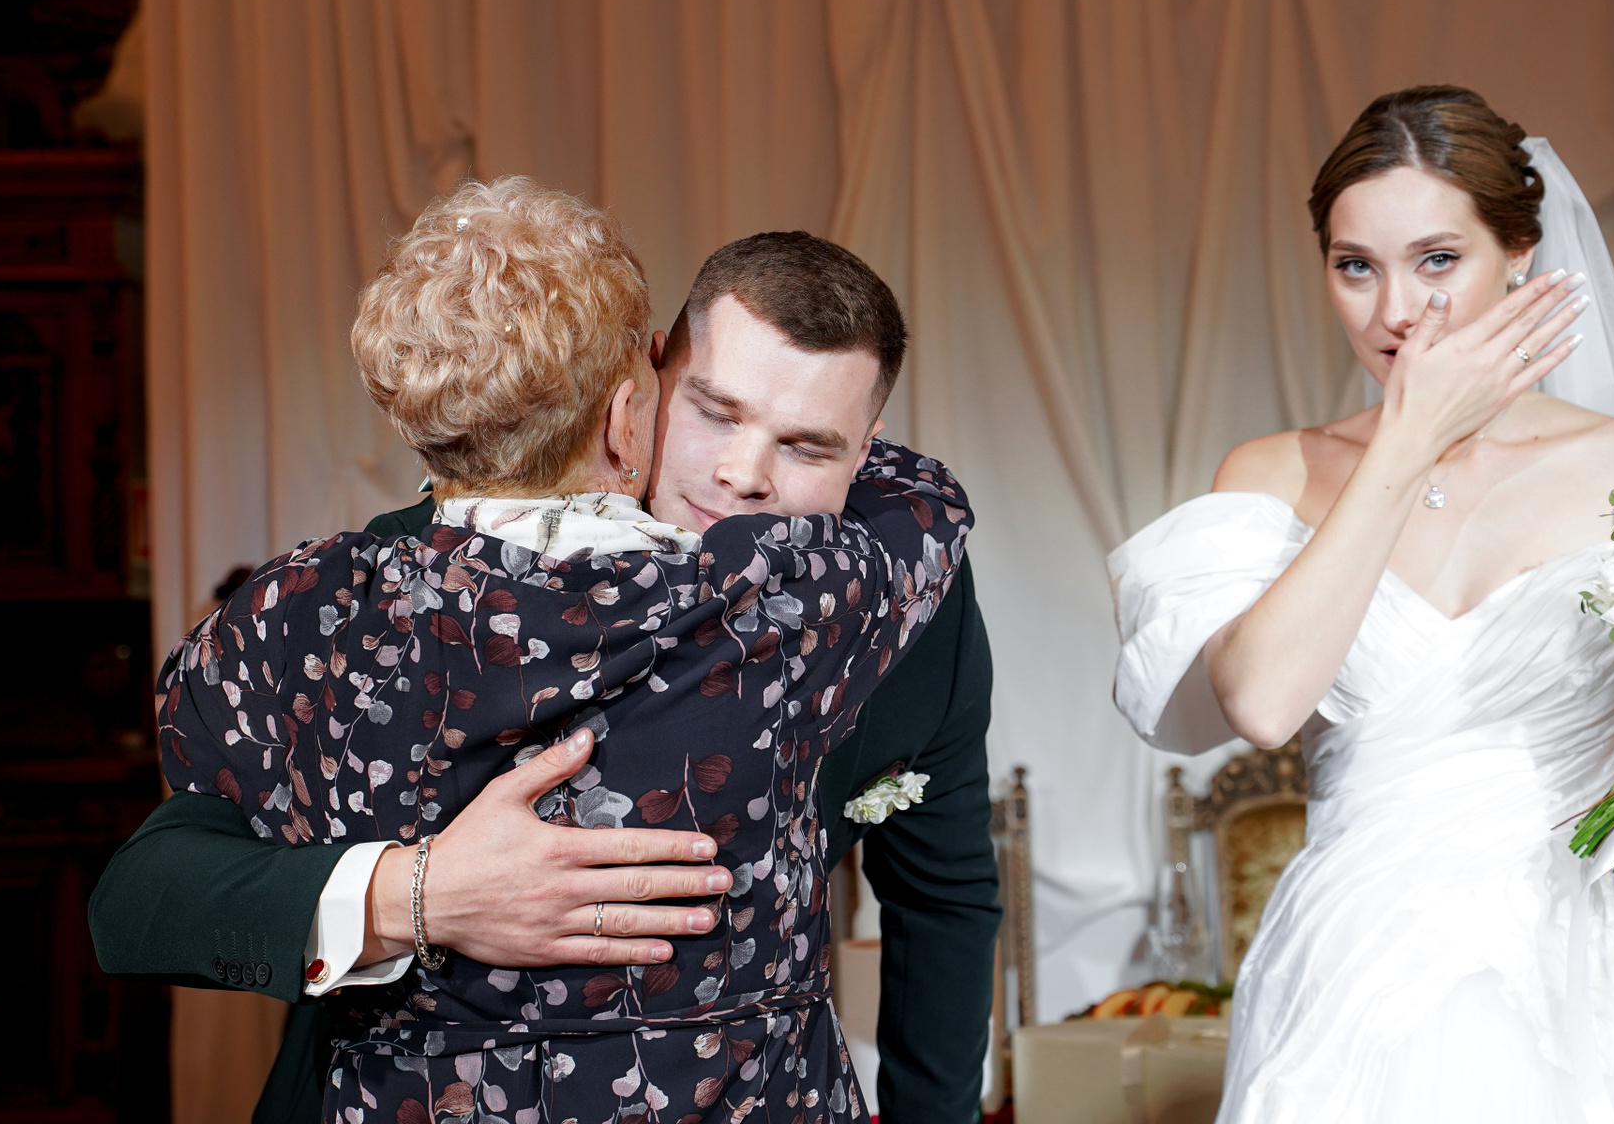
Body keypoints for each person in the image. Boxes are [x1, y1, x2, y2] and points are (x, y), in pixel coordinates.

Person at [92, 231, 1000, 1124]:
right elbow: (142, 906)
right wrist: (419, 894)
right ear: (643, 385)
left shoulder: (904, 601)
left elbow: (943, 901)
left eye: (806, 446)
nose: (741, 475)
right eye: (715, 412)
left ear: (866, 449)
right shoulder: (403, 585)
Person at [1109, 87, 1614, 1122]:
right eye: (1355, 266)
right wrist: (1405, 442)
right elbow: (1261, 704)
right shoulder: (1273, 474)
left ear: (1521, 253)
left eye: (1437, 259)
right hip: (1359, 972)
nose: (1395, 310)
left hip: (1602, 980)